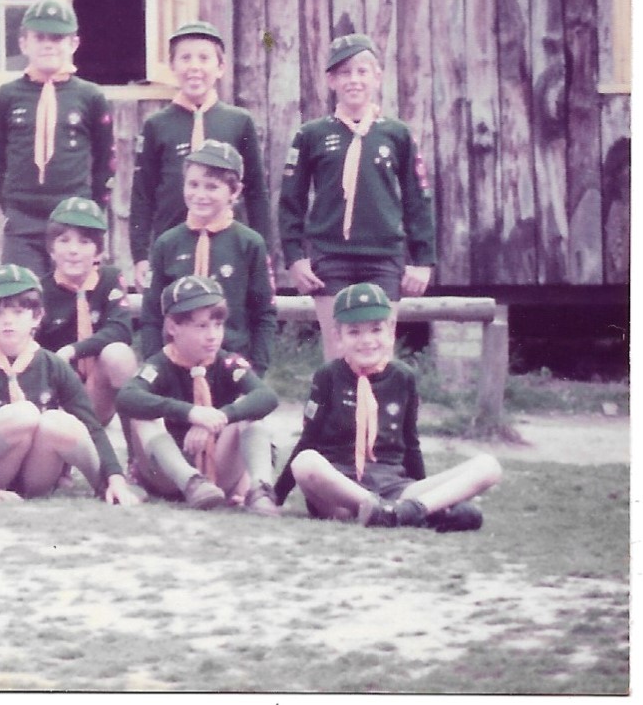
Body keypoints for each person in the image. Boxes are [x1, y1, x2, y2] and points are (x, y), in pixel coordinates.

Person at [274, 283, 499, 530]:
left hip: (394, 486)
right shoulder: (328, 375)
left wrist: (420, 495)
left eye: (376, 329)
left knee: (488, 466)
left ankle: (410, 511)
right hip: (341, 490)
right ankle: (395, 511)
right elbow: (308, 439)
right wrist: (277, 495)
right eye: (354, 332)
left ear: (391, 330)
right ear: (338, 336)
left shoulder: (404, 377)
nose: (367, 340)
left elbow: (410, 444)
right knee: (305, 462)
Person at [277, 33, 435, 361]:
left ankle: (377, 415)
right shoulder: (312, 135)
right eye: (345, 72)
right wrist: (295, 257)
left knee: (378, 355)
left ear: (377, 77)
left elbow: (417, 199)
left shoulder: (397, 134)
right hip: (330, 258)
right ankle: (338, 414)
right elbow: (290, 201)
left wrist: (421, 260)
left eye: (363, 71)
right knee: (337, 354)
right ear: (331, 80)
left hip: (382, 257)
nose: (354, 80)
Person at [0, 265, 140, 505]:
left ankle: (106, 486)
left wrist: (115, 478)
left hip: (36, 474)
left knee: (57, 422)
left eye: (18, 312)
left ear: (37, 317)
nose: (8, 321)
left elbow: (92, 426)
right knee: (24, 415)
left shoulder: (53, 365)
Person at [0, 198, 137, 426]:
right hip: (54, 399)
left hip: (95, 392)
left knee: (119, 354)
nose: (73, 250)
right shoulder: (40, 290)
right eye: (64, 241)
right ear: (52, 250)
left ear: (98, 251)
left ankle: (134, 454)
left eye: (84, 242)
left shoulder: (109, 280)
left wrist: (71, 350)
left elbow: (120, 329)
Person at [115, 275, 281, 514]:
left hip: (217, 467)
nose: (212, 335)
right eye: (201, 326)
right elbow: (126, 398)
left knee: (250, 408)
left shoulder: (227, 363)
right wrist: (191, 413)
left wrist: (218, 418)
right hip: (168, 473)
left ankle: (260, 489)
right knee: (142, 414)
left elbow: (267, 397)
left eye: (218, 325)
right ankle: (191, 481)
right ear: (173, 327)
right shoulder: (160, 365)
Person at [128, 20, 270, 291]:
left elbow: (256, 193)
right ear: (172, 66)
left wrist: (263, 250)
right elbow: (142, 194)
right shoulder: (157, 125)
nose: (194, 67)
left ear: (220, 67)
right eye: (185, 58)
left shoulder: (238, 122)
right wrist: (139, 255)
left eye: (204, 58)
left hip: (227, 242)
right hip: (172, 242)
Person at [0, 0, 114, 279]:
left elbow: (105, 161)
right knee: (20, 293)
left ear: (73, 44)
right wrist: (10, 205)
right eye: (39, 37)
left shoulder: (90, 97)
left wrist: (93, 211)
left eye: (57, 38)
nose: (48, 45)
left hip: (72, 217)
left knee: (71, 296)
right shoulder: (7, 96)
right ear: (23, 43)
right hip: (23, 220)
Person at [140, 140, 277, 375]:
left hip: (231, 363)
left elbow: (264, 313)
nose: (200, 195)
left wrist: (257, 371)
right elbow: (152, 315)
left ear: (234, 192)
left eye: (212, 187)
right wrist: (156, 364)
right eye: (193, 184)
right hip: (175, 365)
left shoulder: (250, 244)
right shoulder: (167, 243)